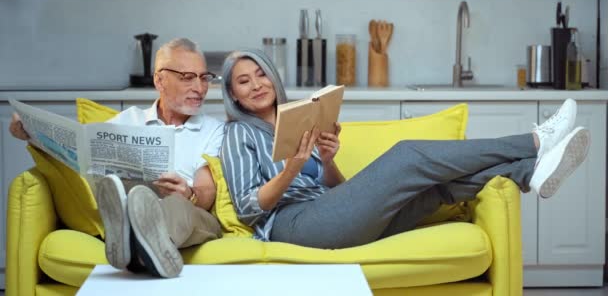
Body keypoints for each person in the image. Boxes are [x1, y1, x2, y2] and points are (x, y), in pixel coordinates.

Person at [218, 48, 591, 249]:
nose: (256, 85)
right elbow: (249, 209)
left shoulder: (295, 120)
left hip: (327, 215)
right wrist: (290, 171)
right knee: (407, 156)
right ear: (233, 94)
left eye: (261, 74)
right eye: (244, 81)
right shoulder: (238, 135)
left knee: (437, 189)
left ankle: (530, 172)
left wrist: (327, 161)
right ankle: (535, 141)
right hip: (292, 225)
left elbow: (335, 192)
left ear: (273, 76)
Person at [9, 38, 224, 278]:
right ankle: (137, 239)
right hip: (130, 205)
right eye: (187, 77)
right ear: (159, 80)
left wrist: (189, 193)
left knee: (174, 206)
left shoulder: (213, 129)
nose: (200, 87)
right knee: (118, 192)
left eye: (204, 77)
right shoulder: (127, 121)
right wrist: (32, 134)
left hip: (189, 213)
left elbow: (207, 190)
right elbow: (83, 162)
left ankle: (130, 245)